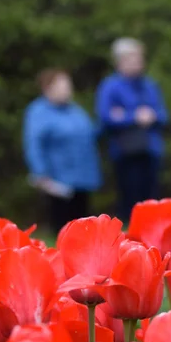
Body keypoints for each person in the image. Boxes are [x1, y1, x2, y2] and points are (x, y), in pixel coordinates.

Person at [96, 38, 168, 222]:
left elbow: (163, 115)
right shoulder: (110, 86)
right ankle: (130, 244)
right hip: (125, 152)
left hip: (150, 150)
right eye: (133, 58)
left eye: (140, 57)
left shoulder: (150, 85)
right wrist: (134, 116)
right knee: (129, 200)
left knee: (151, 201)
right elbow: (106, 118)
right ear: (120, 60)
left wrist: (146, 115)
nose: (138, 62)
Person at [23, 69, 101, 232]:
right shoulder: (38, 111)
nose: (66, 89)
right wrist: (40, 172)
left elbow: (90, 134)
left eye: (67, 85)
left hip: (82, 178)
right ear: (47, 88)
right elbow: (34, 143)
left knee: (83, 226)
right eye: (61, 85)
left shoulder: (75, 110)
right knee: (62, 227)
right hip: (58, 179)